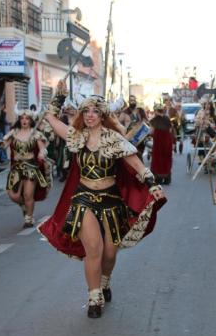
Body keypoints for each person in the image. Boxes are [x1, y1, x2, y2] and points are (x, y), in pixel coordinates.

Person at [39, 82, 166, 319]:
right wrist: (59, 97)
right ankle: (94, 296)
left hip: (111, 201)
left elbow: (137, 164)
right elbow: (50, 118)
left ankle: (104, 280)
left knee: (109, 254)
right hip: (84, 199)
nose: (89, 116)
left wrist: (153, 185)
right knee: (94, 249)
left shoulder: (115, 140)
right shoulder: (76, 136)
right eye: (86, 111)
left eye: (95, 111)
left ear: (102, 115)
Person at [0, 105, 52, 228]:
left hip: (30, 167)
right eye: (22, 118)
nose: (24, 120)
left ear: (31, 120)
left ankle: (29, 218)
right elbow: (3, 146)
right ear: (19, 120)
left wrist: (41, 153)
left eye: (27, 118)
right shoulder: (13, 133)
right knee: (14, 195)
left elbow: (43, 149)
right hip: (16, 168)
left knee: (28, 195)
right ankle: (24, 206)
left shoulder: (36, 134)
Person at [150, 103, 174, 184]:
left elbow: (151, 131)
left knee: (158, 159)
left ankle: (158, 178)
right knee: (166, 159)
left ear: (156, 111)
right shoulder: (167, 119)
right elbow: (170, 130)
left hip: (158, 143)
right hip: (167, 142)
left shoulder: (154, 120)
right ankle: (167, 178)